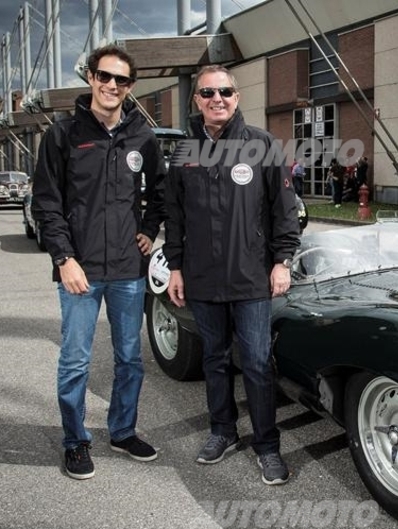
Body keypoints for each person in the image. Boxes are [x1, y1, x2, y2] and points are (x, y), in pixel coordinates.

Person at [32, 45, 166, 480]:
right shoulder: (63, 133)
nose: (112, 86)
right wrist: (64, 259)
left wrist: (148, 227)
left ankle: (122, 431)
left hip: (129, 269)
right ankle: (75, 442)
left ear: (131, 87)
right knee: (75, 362)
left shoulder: (141, 136)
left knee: (130, 358)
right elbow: (46, 203)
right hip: (81, 272)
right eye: (104, 76)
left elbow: (161, 190)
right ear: (90, 77)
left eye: (121, 80)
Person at [163, 64, 300, 485]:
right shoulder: (186, 152)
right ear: (197, 100)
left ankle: (267, 445)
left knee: (257, 362)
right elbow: (175, 216)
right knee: (214, 359)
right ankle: (222, 432)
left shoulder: (262, 145)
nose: (216, 98)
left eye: (224, 91)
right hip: (202, 278)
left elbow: (284, 210)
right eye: (207, 92)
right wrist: (176, 268)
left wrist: (282, 261)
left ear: (236, 97)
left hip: (250, 277)